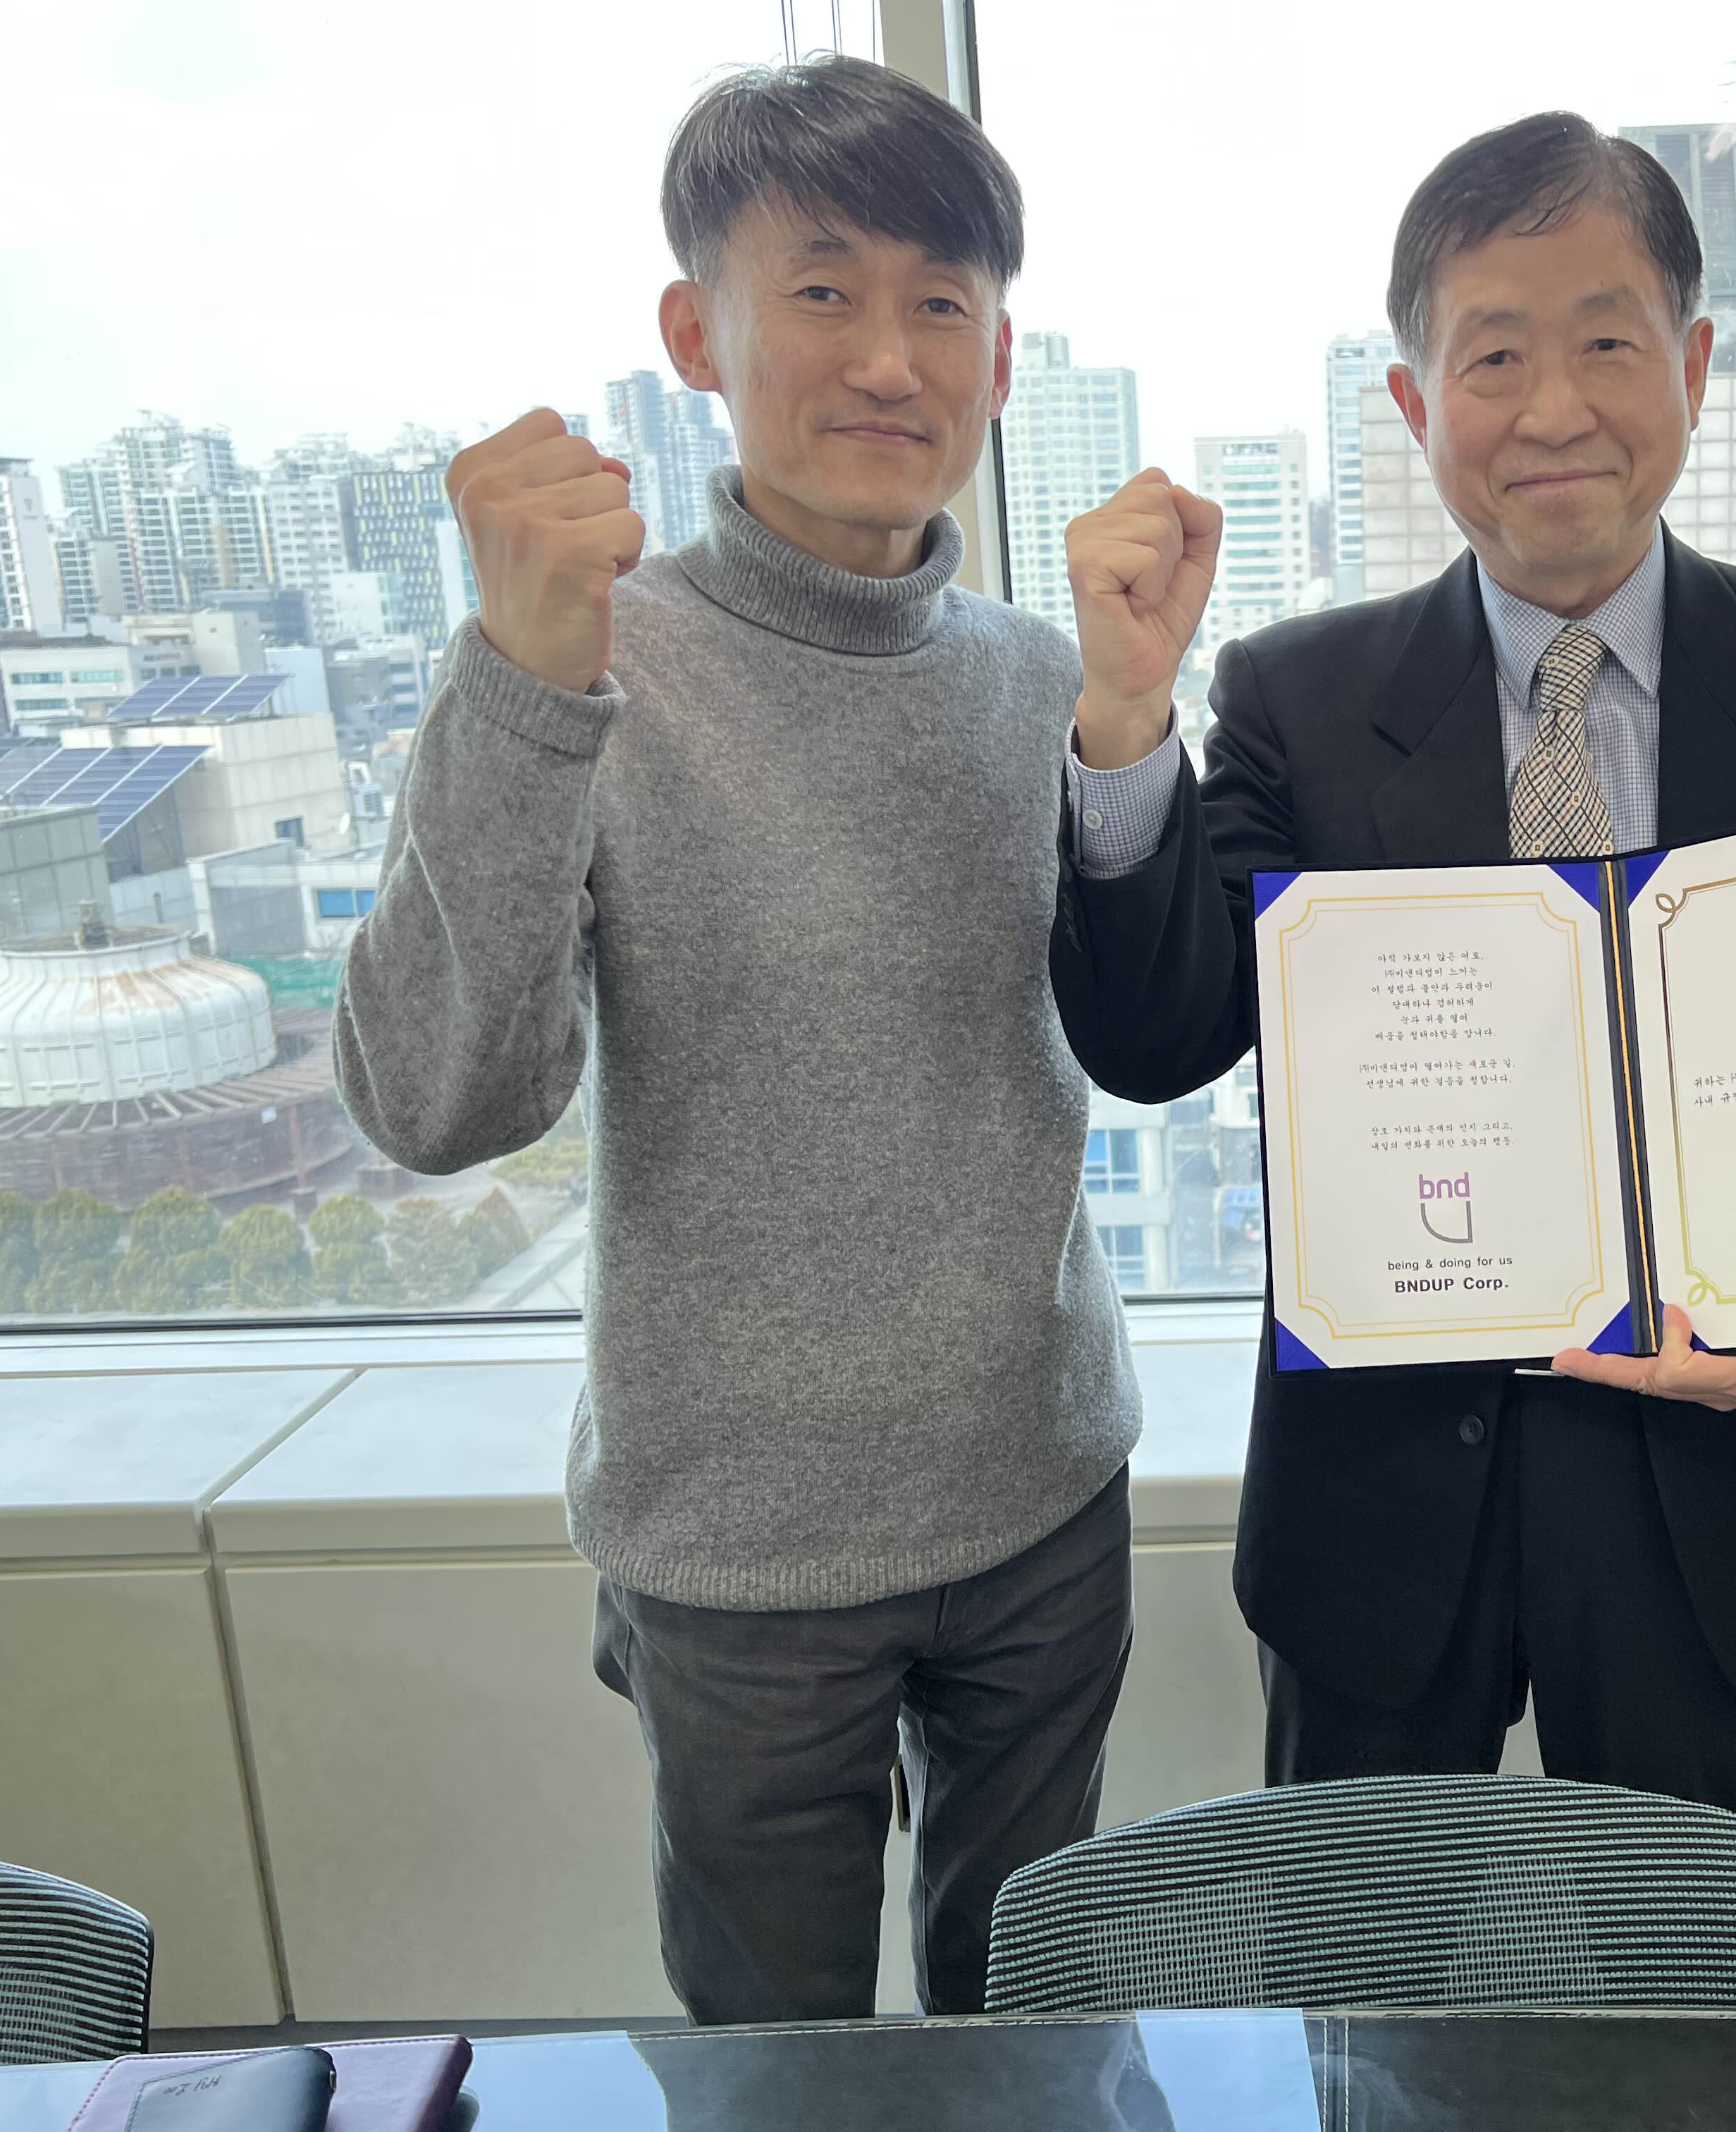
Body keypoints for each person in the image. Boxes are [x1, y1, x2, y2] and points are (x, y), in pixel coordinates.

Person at [333, 58, 1140, 2020]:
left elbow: (1139, 1021)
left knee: (1036, 2028)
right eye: (824, 290)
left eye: (941, 304)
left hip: (1043, 1489)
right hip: (740, 1553)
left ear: (1001, 356)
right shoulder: (586, 661)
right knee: (776, 2065)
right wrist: (524, 690)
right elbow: (440, 1102)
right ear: (698, 334)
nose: (888, 359)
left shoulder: (1041, 677)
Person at [1046, 111, 1736, 1839]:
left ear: (1692, 367)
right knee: (1366, 1988)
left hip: (1718, 1489)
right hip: (1382, 1508)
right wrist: (1127, 717)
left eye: (1606, 344)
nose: (1553, 410)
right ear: (1414, 402)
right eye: (1495, 356)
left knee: (1695, 1989)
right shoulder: (1298, 698)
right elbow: (1157, 1040)